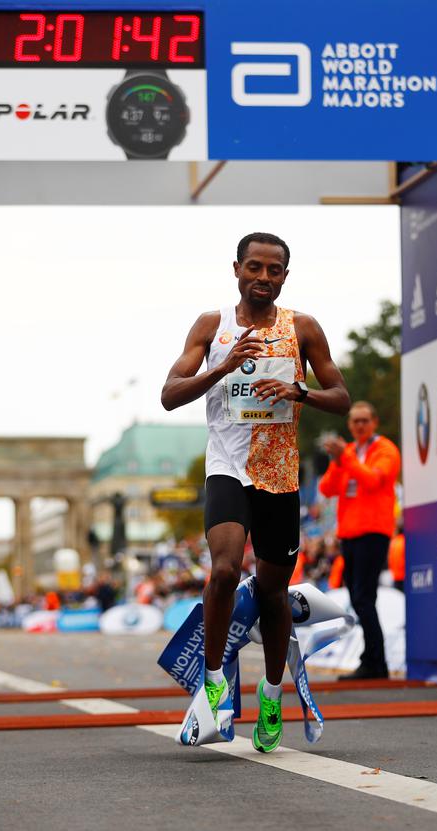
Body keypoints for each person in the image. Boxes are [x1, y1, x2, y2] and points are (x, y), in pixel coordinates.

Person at [161, 232, 350, 752]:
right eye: (254, 268)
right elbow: (169, 395)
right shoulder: (212, 326)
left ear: (285, 276)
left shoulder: (302, 328)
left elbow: (340, 396)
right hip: (226, 466)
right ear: (237, 269)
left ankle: (271, 693)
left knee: (270, 589)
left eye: (274, 270)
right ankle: (216, 679)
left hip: (279, 472)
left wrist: (299, 390)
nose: (263, 277)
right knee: (223, 570)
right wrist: (219, 369)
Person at [319, 401, 401, 680]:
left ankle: (375, 663)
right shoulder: (349, 453)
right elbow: (327, 488)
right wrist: (338, 460)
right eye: (355, 421)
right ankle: (373, 660)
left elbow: (374, 481)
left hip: (373, 531)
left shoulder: (385, 450)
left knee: (364, 598)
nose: (359, 426)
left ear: (375, 422)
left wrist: (348, 460)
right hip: (350, 534)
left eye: (364, 420)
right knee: (359, 599)